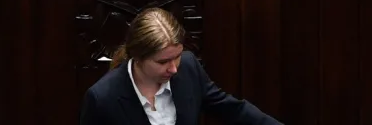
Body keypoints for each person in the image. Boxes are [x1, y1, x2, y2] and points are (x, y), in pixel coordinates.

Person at [79, 7, 281, 125]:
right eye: (162, 62)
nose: (174, 68)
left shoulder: (189, 67)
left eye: (176, 57)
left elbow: (233, 110)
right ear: (138, 57)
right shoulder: (102, 98)